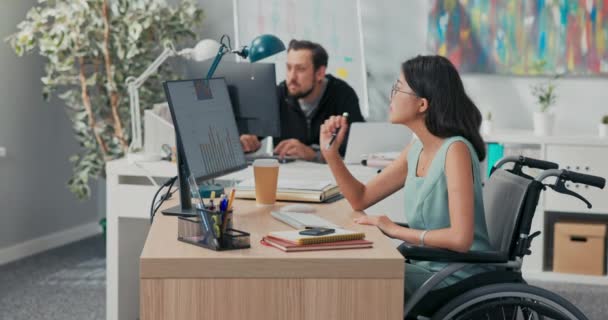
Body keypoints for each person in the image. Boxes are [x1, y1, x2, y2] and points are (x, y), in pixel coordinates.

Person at [319, 55, 492, 300]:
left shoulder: (455, 151)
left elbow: (460, 239)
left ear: (422, 104)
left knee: (355, 279)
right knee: (350, 270)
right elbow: (361, 198)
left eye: (398, 88)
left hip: (455, 273)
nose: (391, 96)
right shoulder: (417, 148)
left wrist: (394, 229)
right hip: (427, 262)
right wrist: (331, 154)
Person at [239, 39, 364, 162]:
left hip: (329, 176)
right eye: (289, 68)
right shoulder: (278, 95)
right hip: (288, 177)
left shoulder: (343, 94)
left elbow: (358, 147)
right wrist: (247, 140)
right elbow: (254, 133)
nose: (291, 77)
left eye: (301, 69)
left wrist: (314, 154)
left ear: (320, 73)